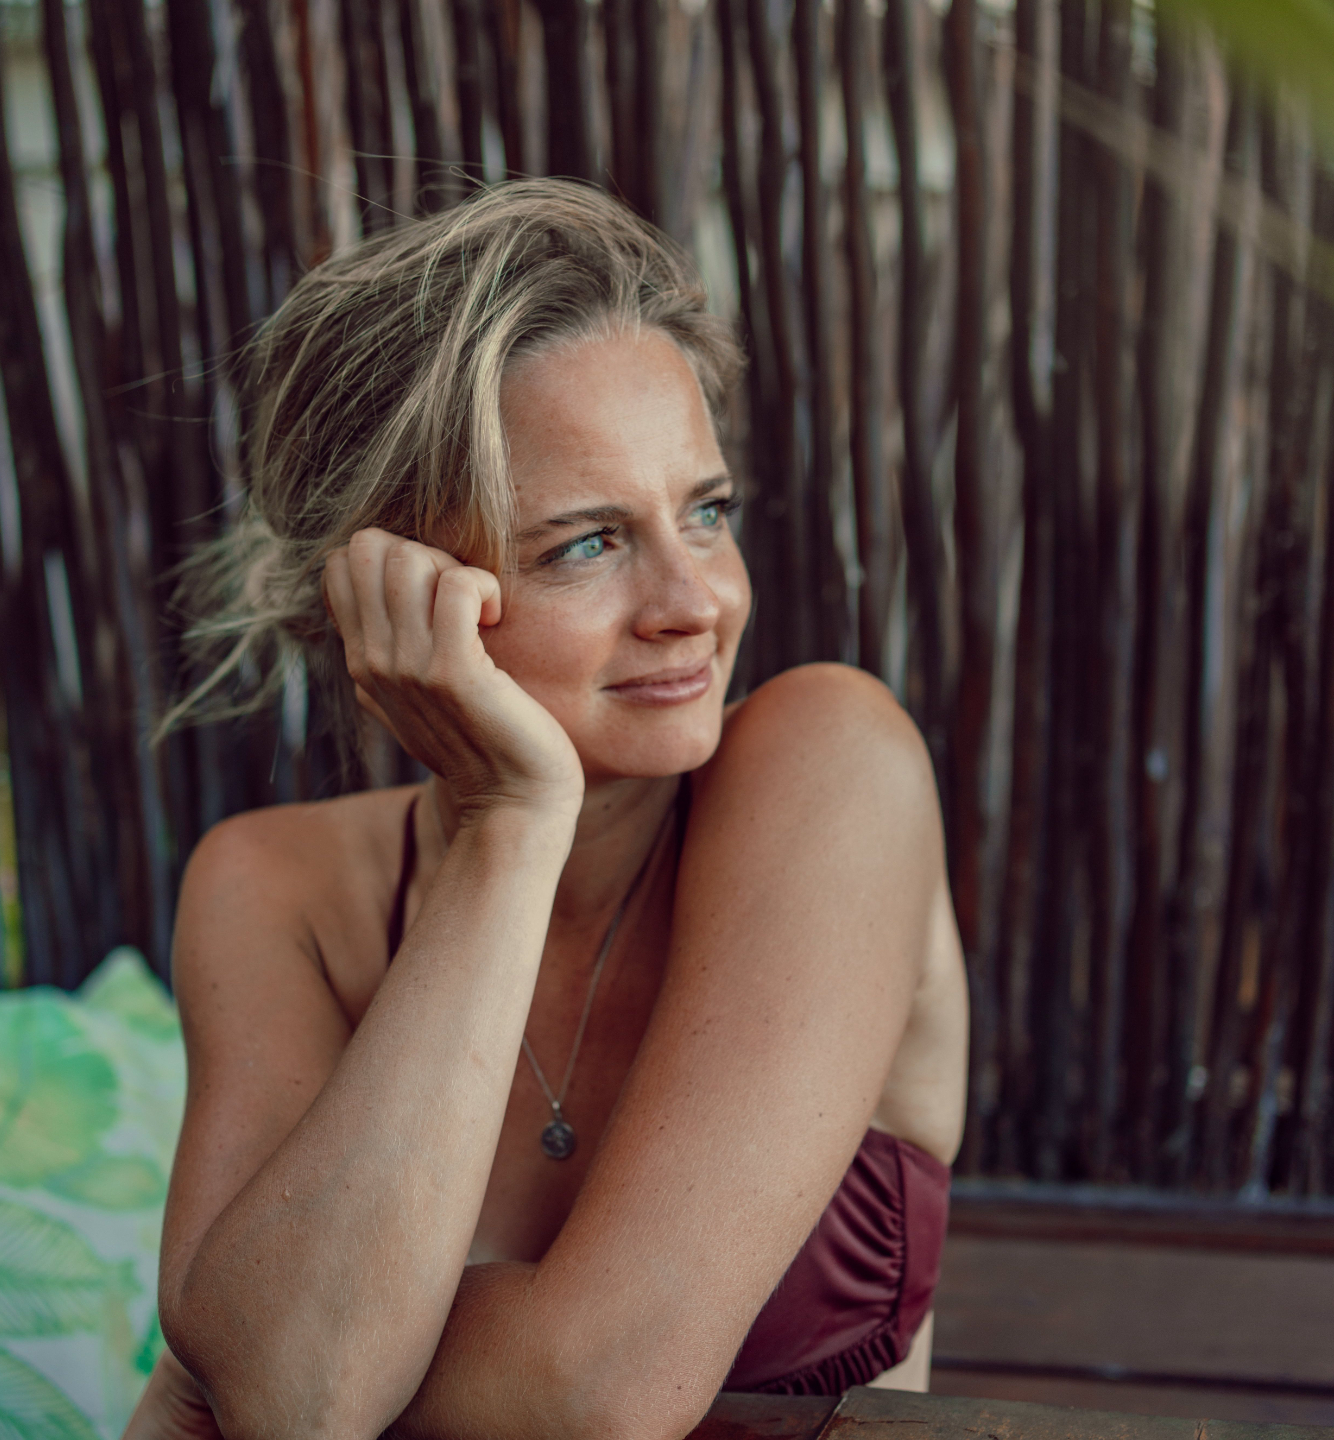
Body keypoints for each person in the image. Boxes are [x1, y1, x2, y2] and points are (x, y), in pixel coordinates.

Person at [124, 179, 967, 1440]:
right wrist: (509, 827)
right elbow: (300, 1399)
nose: (697, 602)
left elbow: (594, 1395)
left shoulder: (832, 766)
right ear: (393, 590)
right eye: (586, 543)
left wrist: (244, 1357)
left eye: (707, 513)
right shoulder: (274, 888)